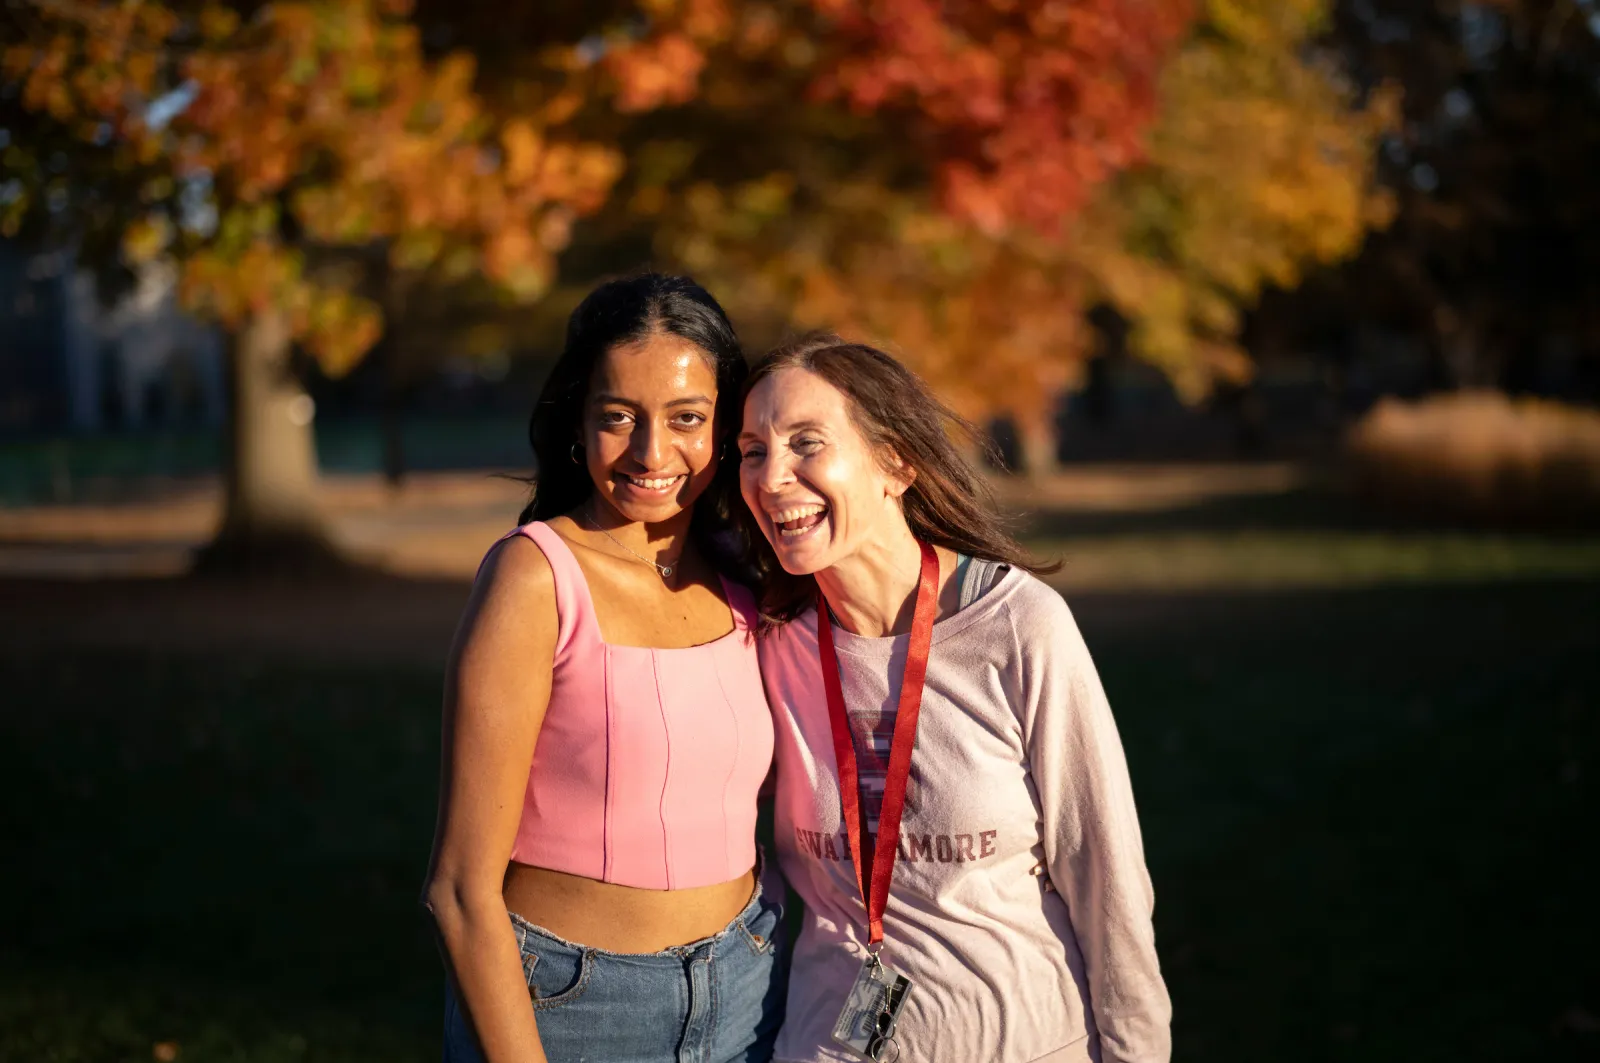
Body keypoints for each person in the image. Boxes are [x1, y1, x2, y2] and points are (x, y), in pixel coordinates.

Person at [737, 334, 1170, 1063]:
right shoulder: (767, 645)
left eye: (806, 443)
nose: (773, 476)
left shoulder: (1016, 625)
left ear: (896, 463)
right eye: (752, 450)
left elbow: (1109, 880)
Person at [423, 274, 787, 1063]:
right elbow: (458, 891)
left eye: (686, 417)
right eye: (619, 417)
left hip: (747, 989)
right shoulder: (534, 578)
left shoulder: (744, 579)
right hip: (575, 1009)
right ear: (577, 425)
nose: (653, 453)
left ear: (724, 427)